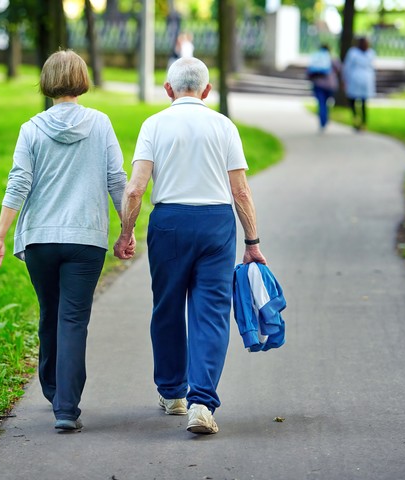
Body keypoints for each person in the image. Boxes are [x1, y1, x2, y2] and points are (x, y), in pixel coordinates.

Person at [114, 57, 267, 435]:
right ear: (207, 91)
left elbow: (135, 189)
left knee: (166, 307)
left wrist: (126, 232)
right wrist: (252, 242)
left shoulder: (154, 124)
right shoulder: (224, 126)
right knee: (211, 312)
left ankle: (172, 394)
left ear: (168, 90)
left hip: (169, 223)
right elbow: (241, 191)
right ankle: (203, 402)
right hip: (216, 224)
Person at [0, 50, 130, 432]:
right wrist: (126, 228)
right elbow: (118, 179)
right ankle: (65, 406)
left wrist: (0, 236)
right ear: (82, 79)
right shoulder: (100, 124)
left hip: (40, 241)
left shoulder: (32, 128)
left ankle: (53, 388)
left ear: (47, 82)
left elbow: (19, 182)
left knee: (51, 312)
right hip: (85, 240)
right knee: (73, 319)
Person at [342, 37, 376, 131]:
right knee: (363, 103)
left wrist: (345, 79)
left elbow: (347, 67)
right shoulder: (371, 53)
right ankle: (363, 122)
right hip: (366, 79)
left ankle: (356, 119)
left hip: (355, 78)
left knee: (353, 101)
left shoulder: (353, 52)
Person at [307, 44, 341, 131]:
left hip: (318, 84)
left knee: (321, 103)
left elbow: (309, 71)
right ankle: (325, 118)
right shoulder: (332, 58)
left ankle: (323, 120)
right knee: (327, 103)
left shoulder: (316, 58)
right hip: (330, 85)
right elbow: (339, 69)